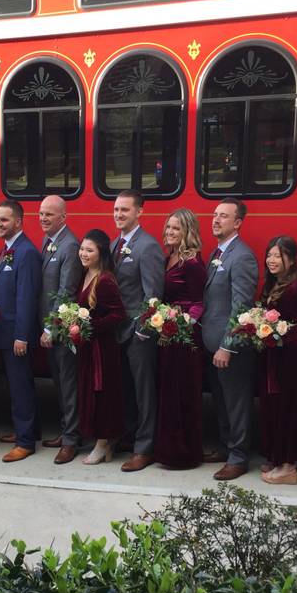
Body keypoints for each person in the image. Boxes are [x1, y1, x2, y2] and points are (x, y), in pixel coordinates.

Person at [202, 198, 259, 481]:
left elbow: (241, 307)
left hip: (230, 348)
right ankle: (226, 446)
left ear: (237, 223)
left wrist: (227, 345)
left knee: (236, 402)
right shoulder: (220, 252)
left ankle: (238, 457)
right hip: (212, 344)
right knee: (221, 401)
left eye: (223, 216)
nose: (215, 220)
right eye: (214, 215)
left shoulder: (242, 256)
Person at [110, 191, 165, 472]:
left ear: (139, 212)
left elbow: (152, 294)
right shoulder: (114, 244)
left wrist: (142, 330)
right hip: (117, 330)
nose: (119, 214)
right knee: (126, 390)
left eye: (125, 210)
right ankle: (129, 436)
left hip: (137, 333)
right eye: (117, 210)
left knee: (144, 392)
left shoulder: (148, 246)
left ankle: (145, 448)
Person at [0, 200, 42, 463]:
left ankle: (25, 442)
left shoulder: (26, 252)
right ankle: (28, 430)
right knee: (17, 384)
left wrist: (21, 336)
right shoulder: (8, 249)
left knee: (20, 386)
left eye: (5, 220)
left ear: (19, 222)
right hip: (4, 332)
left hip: (15, 335)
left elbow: (26, 297)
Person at [154, 209, 206, 469]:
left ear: (187, 231)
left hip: (185, 338)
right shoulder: (169, 258)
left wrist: (181, 325)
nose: (170, 232)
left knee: (183, 393)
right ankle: (166, 451)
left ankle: (184, 454)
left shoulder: (193, 262)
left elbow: (197, 303)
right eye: (168, 228)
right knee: (168, 392)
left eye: (175, 228)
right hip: (167, 334)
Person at [257, 236, 297, 485]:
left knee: (289, 409)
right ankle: (277, 457)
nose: (271, 260)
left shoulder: (295, 289)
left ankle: (289, 467)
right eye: (270, 255)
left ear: (291, 259)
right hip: (274, 358)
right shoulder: (274, 284)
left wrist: (278, 334)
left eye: (277, 256)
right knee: (275, 408)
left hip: (290, 360)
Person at [37, 195, 83, 464]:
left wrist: (49, 327)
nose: (43, 218)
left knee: (68, 384)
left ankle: (71, 440)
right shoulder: (49, 241)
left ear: (63, 217)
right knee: (58, 383)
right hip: (49, 329)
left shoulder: (69, 246)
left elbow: (66, 292)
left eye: (49, 215)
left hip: (61, 330)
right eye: (41, 214)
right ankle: (66, 430)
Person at [75, 229, 126, 465]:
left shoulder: (104, 280)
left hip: (103, 351)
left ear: (101, 253)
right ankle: (101, 442)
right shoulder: (85, 274)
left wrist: (89, 326)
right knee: (90, 395)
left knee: (103, 396)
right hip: (89, 348)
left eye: (89, 250)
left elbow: (118, 315)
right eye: (82, 248)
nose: (84, 253)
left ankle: (103, 443)